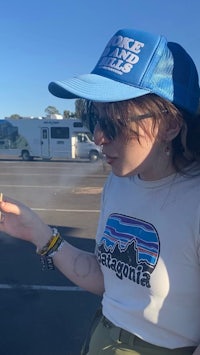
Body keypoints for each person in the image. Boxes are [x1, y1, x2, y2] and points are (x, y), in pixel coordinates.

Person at [0, 28, 200, 355]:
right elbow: (107, 281)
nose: (98, 136)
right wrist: (39, 233)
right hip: (100, 339)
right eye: (93, 116)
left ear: (170, 125)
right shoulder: (119, 183)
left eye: (114, 121)